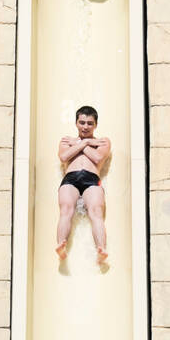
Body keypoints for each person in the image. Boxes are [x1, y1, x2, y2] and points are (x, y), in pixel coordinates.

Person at [56, 105, 111, 264]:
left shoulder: (103, 141)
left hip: (92, 178)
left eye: (89, 123)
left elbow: (97, 159)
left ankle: (101, 250)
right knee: (66, 209)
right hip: (70, 178)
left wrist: (80, 143)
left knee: (96, 211)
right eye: (82, 122)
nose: (85, 126)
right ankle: (61, 245)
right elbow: (64, 157)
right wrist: (85, 142)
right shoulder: (66, 140)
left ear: (96, 125)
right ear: (76, 123)